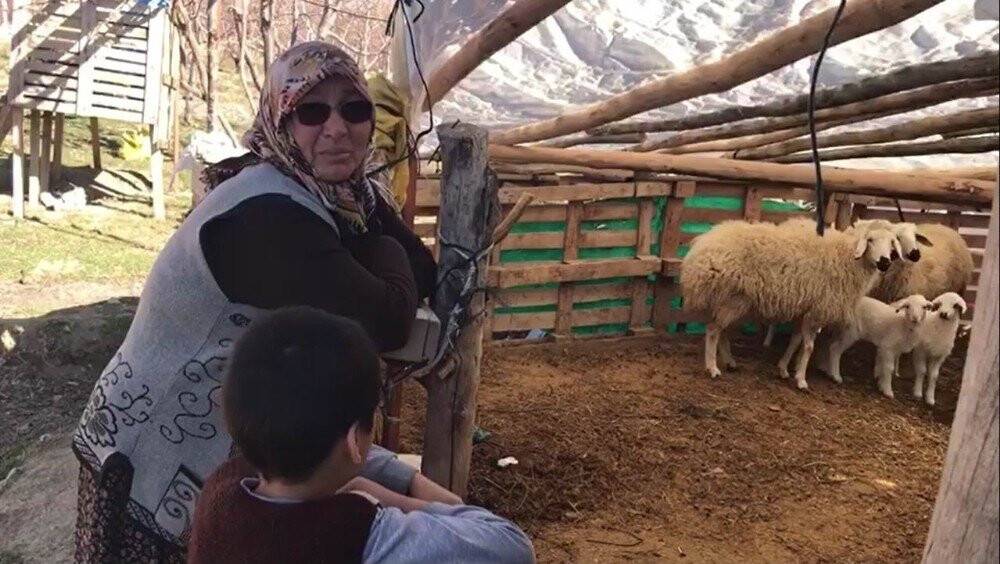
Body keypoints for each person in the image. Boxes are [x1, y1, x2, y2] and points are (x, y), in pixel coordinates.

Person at [72, 41, 436, 561]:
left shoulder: (342, 192)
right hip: (151, 444)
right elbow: (388, 320)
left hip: (221, 433)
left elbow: (421, 269)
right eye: (312, 111)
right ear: (282, 122)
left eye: (354, 109)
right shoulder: (267, 215)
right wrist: (376, 246)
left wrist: (374, 244)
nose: (337, 128)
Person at [188, 307, 535, 563]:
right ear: (355, 440)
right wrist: (392, 497)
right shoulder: (366, 534)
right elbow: (511, 546)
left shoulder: (219, 494)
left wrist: (399, 476)